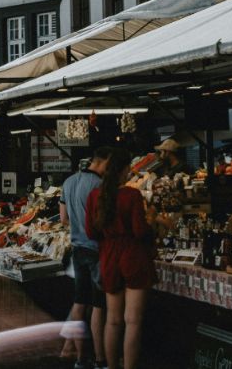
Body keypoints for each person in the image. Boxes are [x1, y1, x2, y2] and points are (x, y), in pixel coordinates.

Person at [86, 147, 156, 369]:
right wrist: (154, 223)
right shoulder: (131, 195)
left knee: (113, 320)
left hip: (109, 258)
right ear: (125, 170)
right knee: (132, 321)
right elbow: (140, 231)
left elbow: (91, 233)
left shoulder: (95, 196)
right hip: (133, 257)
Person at [60, 148, 110, 369]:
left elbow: (63, 219)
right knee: (99, 305)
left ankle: (81, 359)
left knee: (80, 304)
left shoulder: (68, 182)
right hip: (97, 250)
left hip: (77, 249)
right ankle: (101, 360)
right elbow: (103, 222)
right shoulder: (99, 186)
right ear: (103, 162)